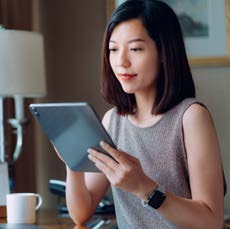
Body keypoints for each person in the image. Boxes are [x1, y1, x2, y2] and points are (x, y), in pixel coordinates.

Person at [57, 0, 226, 228]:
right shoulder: (112, 121)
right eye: (113, 49)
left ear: (164, 52)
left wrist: (144, 188)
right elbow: (81, 213)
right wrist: (73, 163)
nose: (121, 62)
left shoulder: (191, 117)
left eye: (135, 49)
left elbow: (212, 221)